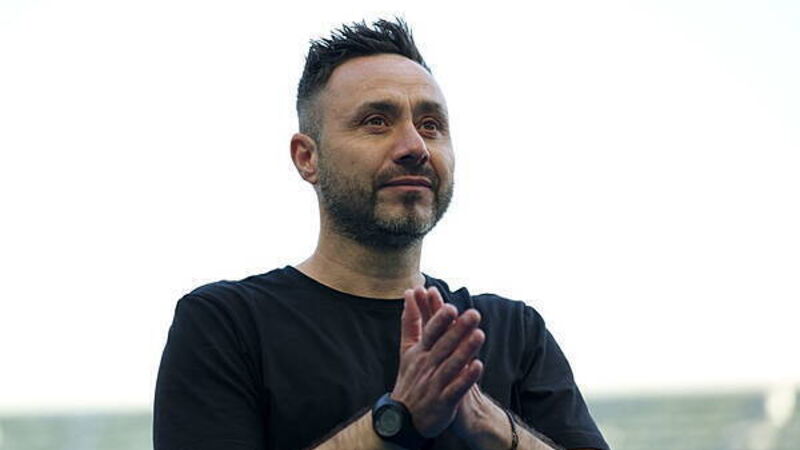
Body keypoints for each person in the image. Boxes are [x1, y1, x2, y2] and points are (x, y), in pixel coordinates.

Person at [153, 18, 610, 450]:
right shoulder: (226, 324)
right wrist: (397, 420)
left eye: (431, 126)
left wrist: (492, 426)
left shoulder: (513, 331)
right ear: (307, 158)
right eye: (376, 121)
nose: (415, 146)